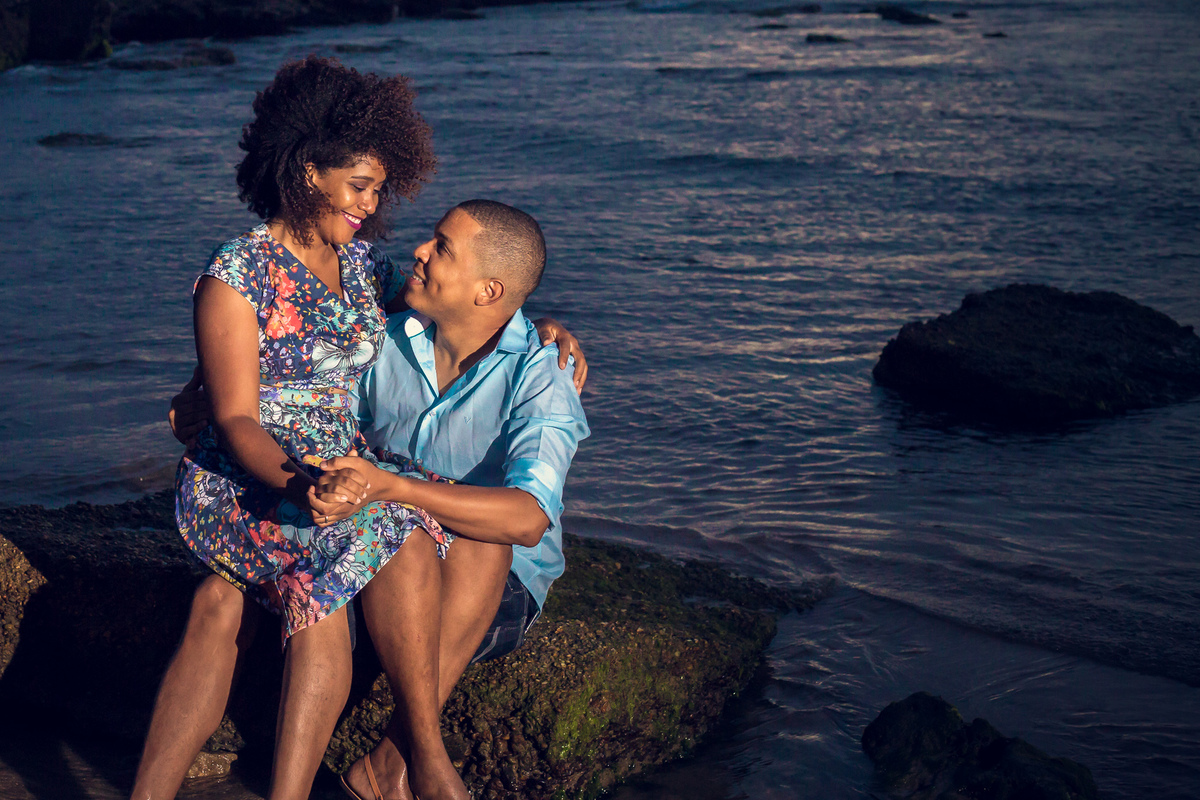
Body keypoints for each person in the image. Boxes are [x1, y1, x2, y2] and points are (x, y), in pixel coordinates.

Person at [136, 58, 580, 800]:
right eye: (360, 187)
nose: (372, 207)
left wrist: (541, 328)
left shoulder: (364, 268)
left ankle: (367, 773)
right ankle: (418, 763)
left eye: (379, 190)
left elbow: (468, 301)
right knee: (375, 540)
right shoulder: (237, 272)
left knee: (422, 536)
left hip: (334, 471)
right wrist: (299, 484)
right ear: (309, 170)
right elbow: (236, 416)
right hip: (250, 477)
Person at [308, 200, 589, 800]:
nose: (419, 251)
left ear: (489, 291)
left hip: (492, 588)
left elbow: (528, 518)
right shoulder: (385, 341)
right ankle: (413, 762)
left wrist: (397, 487)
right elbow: (305, 397)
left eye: (442, 248)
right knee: (393, 545)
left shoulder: (541, 377)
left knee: (484, 545)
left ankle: (394, 759)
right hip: (381, 553)